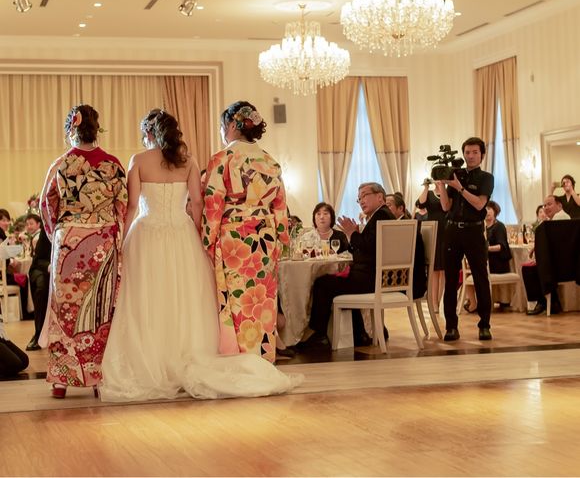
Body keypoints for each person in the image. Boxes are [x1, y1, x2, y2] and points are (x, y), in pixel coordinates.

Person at [100, 109, 299, 402]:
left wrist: (121, 241)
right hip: (210, 235)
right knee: (188, 298)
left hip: (151, 233)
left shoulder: (140, 161)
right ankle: (256, 355)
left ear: (149, 133)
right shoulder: (196, 161)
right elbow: (197, 203)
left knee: (147, 299)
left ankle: (155, 360)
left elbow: (132, 206)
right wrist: (198, 238)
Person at [40, 104, 128, 399]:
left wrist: (58, 235)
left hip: (69, 241)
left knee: (65, 310)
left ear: (71, 129)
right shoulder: (113, 164)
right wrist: (113, 234)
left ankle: (61, 380)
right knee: (99, 311)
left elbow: (46, 205)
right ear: (96, 128)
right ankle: (96, 377)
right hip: (103, 240)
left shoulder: (61, 164)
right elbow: (122, 206)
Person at [201, 101, 291, 365]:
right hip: (266, 238)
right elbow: (280, 207)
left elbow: (213, 204)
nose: (222, 132)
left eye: (222, 126)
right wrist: (282, 239)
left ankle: (239, 362)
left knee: (237, 301)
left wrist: (207, 240)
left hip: (235, 239)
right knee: (262, 300)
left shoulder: (223, 159)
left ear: (231, 125)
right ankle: (263, 359)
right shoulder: (270, 162)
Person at [306, 182, 395, 348]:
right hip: (374, 276)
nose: (361, 201)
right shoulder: (381, 215)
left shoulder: (381, 216)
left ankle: (320, 334)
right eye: (359, 198)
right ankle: (359, 334)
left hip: (372, 278)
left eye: (365, 195)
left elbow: (368, 247)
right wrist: (356, 234)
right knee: (340, 282)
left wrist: (351, 233)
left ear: (380, 197)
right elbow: (367, 248)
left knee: (322, 283)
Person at [438, 137, 494, 342]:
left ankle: (484, 325)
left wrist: (460, 187)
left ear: (482, 155)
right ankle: (451, 327)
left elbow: (479, 204)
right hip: (452, 230)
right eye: (467, 152)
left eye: (475, 152)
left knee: (480, 278)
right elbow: (446, 206)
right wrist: (442, 185)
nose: (470, 156)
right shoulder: (455, 174)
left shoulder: (486, 178)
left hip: (474, 231)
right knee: (451, 280)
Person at [524, 195, 571, 316]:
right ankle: (553, 303)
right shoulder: (554, 220)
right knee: (534, 267)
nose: (546, 208)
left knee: (530, 270)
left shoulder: (560, 218)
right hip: (563, 262)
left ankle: (543, 303)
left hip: (563, 264)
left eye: (549, 204)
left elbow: (554, 245)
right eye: (544, 205)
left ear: (559, 205)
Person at [463, 200, 511, 313]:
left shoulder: (499, 226)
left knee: (475, 271)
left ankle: (478, 303)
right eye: (485, 209)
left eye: (489, 209)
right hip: (486, 261)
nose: (487, 211)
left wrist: (486, 249)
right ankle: (474, 302)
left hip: (498, 262)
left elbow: (501, 247)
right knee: (467, 273)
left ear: (495, 211)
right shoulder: (481, 226)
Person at [416, 179, 447, 311]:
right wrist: (426, 187)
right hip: (433, 231)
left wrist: (442, 186)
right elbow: (420, 204)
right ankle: (433, 302)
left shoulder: (448, 192)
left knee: (444, 270)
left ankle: (439, 301)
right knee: (434, 270)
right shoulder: (428, 194)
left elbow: (447, 207)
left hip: (446, 231)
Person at [25, 222, 51, 351]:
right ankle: (38, 333)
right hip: (42, 267)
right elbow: (39, 259)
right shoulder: (47, 229)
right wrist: (49, 266)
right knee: (42, 287)